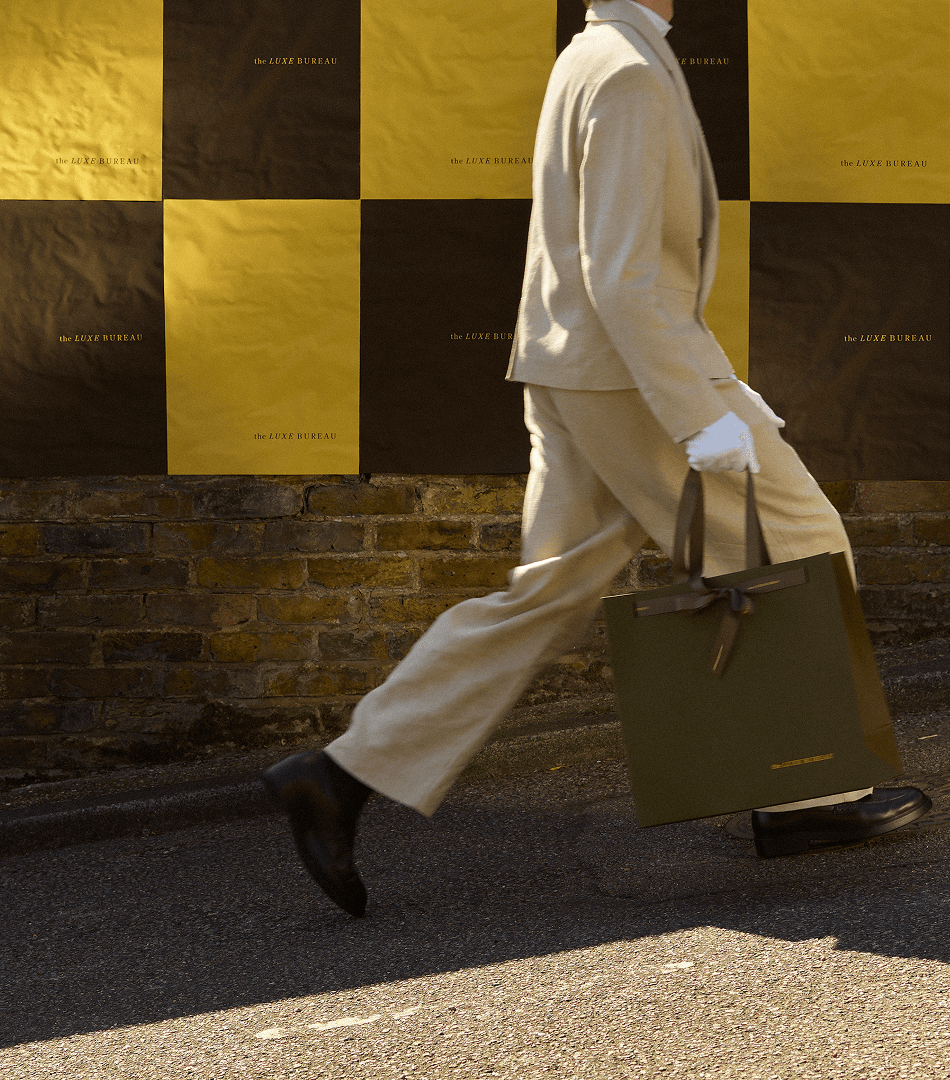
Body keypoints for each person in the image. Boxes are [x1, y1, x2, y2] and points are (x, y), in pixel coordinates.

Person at [261, 0, 930, 917]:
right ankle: (807, 796)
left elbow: (598, 261)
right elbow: (624, 275)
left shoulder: (593, 53)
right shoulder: (624, 71)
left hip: (576, 366)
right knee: (801, 537)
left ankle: (340, 773)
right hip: (626, 374)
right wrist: (699, 414)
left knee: (551, 588)